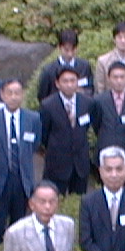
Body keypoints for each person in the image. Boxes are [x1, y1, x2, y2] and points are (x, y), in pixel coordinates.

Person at [0, 79, 40, 248]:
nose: (14, 97)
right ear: (2, 95)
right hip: (0, 179)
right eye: (10, 93)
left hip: (22, 179)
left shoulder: (33, 118)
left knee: (20, 225)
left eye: (17, 93)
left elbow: (35, 144)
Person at [89, 61, 125, 189]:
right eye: (115, 77)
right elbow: (96, 124)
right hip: (105, 149)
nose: (119, 81)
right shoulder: (98, 101)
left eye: (122, 77)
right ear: (109, 79)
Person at [40, 66, 95, 195]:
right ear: (57, 83)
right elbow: (44, 134)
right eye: (65, 81)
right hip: (57, 164)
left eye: (72, 81)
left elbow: (89, 126)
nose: (69, 85)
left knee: (79, 199)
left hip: (80, 164)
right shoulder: (48, 105)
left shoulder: (87, 102)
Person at [36, 29, 94, 101]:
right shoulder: (49, 70)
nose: (70, 54)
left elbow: (90, 90)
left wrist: (81, 92)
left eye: (73, 50)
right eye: (66, 50)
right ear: (60, 48)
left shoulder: (85, 66)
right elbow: (42, 96)